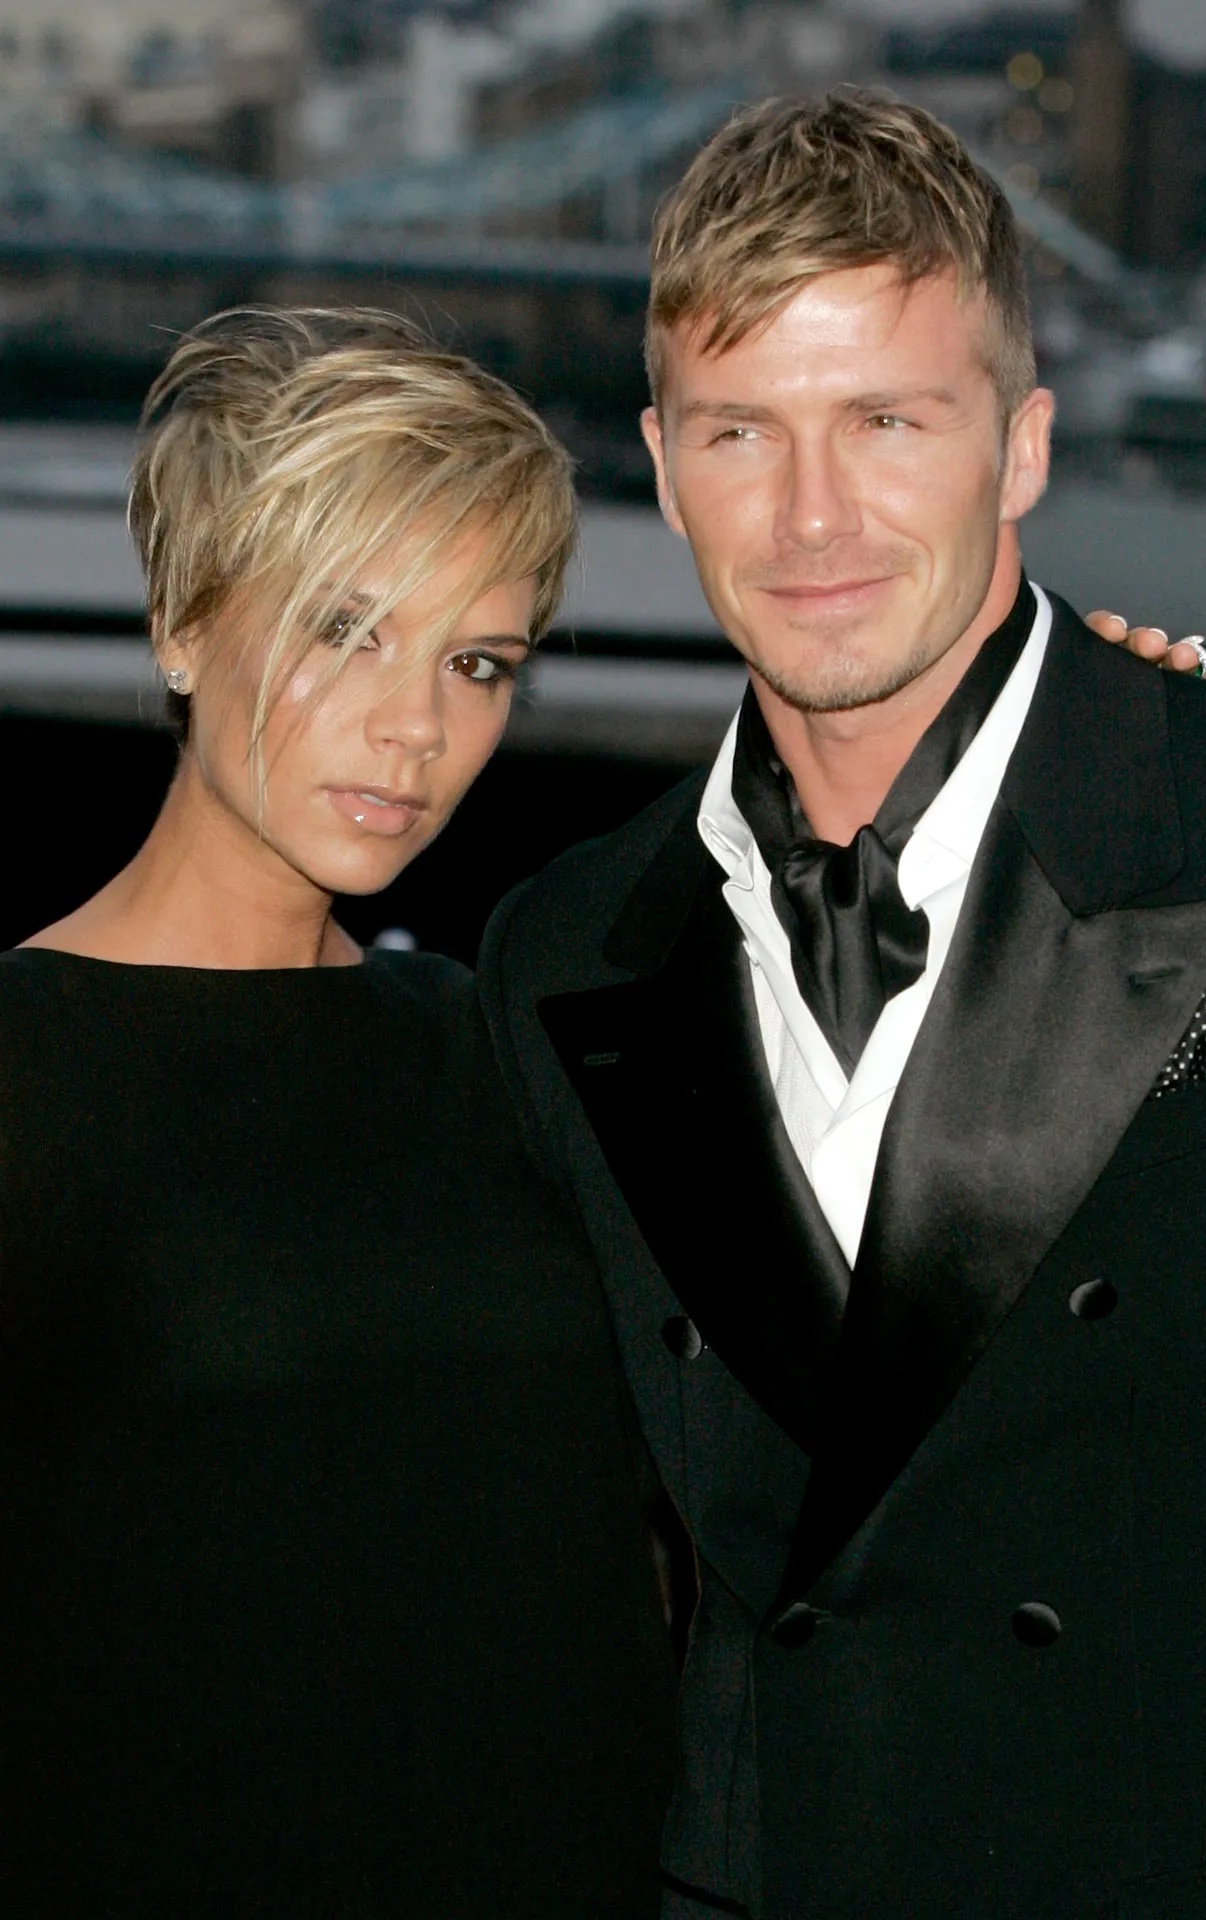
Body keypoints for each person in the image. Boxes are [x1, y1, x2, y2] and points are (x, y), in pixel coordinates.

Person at [478, 91, 1206, 1920]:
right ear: (662, 462)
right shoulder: (562, 948)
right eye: (741, 432)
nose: (812, 514)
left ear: (1021, 447)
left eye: (888, 423)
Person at [0, 307, 675, 1918]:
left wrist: (1105, 771)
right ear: (182, 621)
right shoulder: (22, 1067)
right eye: (347, 629)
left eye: (476, 662)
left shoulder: (502, 1045)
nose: (417, 727)